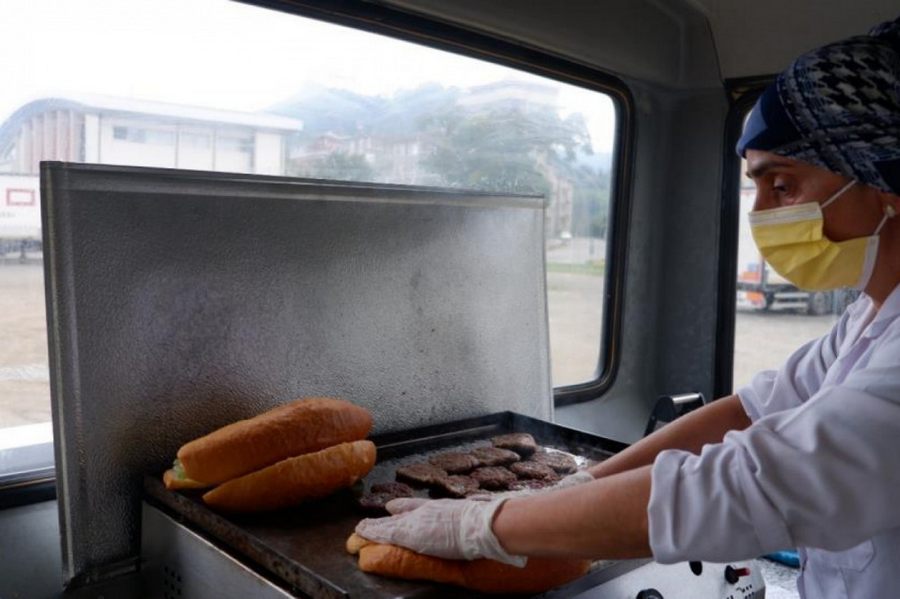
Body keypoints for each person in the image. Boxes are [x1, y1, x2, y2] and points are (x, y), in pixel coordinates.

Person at [356, 16, 900, 598]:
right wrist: (577, 486)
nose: (760, 212)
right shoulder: (870, 318)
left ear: (883, 179)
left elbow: (753, 486)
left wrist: (482, 525)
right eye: (757, 187)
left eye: (783, 186)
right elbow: (749, 412)